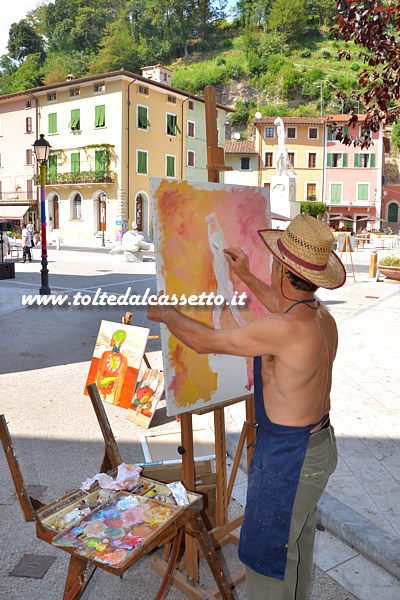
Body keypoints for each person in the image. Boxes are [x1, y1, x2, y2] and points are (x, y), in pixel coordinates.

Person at [147, 214, 346, 599]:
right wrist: (247, 277)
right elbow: (286, 306)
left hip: (291, 458)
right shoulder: (321, 318)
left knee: (267, 559)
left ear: (284, 268)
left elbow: (206, 342)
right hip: (318, 446)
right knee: (296, 546)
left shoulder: (283, 331)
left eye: (274, 262)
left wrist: (167, 314)